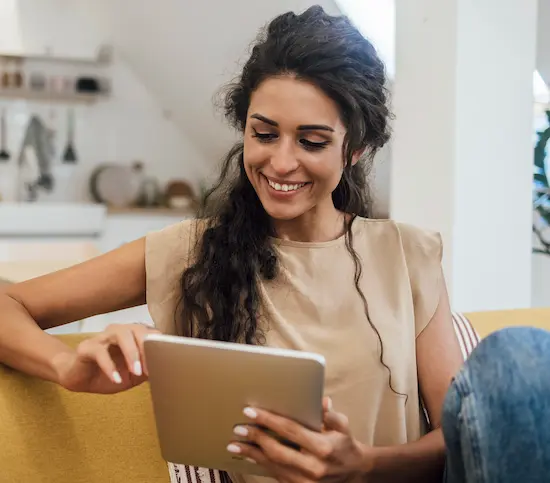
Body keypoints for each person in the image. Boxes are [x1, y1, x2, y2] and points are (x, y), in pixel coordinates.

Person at [1, 5, 549, 483]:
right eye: (263, 135)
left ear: (354, 149)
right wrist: (65, 368)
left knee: (519, 358)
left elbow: (462, 436)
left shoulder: (405, 253)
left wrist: (362, 468)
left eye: (311, 141)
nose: (280, 162)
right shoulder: (191, 251)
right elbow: (10, 303)